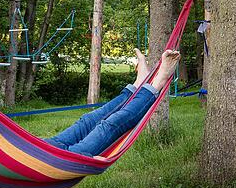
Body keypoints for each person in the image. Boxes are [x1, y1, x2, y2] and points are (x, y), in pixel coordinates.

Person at [45, 48, 181, 157]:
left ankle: (138, 84)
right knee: (108, 125)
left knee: (87, 121)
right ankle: (159, 81)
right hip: (61, 161)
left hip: (44, 149)